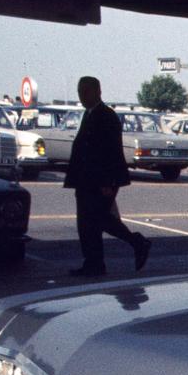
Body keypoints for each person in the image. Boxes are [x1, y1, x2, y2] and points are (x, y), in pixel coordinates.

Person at [64, 75, 150, 276]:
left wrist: (108, 182)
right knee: (88, 223)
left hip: (101, 180)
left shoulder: (106, 116)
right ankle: (94, 262)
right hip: (86, 180)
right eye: (80, 92)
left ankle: (137, 243)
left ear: (97, 92)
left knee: (99, 220)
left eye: (86, 91)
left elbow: (110, 152)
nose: (82, 96)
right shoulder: (90, 114)